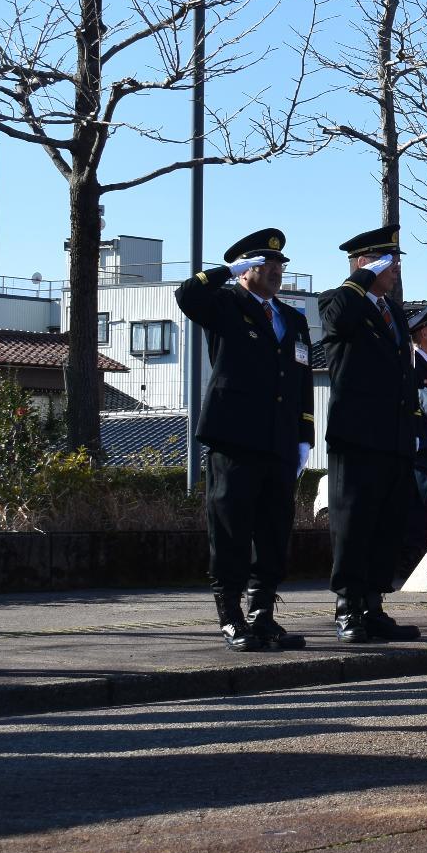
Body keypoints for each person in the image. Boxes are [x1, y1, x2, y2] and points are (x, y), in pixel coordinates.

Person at [174, 228, 315, 652]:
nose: (276, 271)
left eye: (279, 265)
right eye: (266, 264)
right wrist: (224, 272)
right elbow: (186, 297)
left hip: (278, 439)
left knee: (273, 529)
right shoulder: (225, 304)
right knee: (232, 527)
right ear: (245, 269)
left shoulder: (291, 318)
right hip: (234, 436)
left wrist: (304, 434)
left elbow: (302, 378)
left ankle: (263, 614)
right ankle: (231, 617)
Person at [318, 226, 423, 644]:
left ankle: (373, 605)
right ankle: (347, 607)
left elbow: (405, 374)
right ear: (365, 262)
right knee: (353, 522)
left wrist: (412, 424)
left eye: (396, 261)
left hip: (393, 435)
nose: (395, 269)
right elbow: (336, 322)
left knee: (386, 524)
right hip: (356, 435)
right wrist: (358, 279)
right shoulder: (341, 299)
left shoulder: (393, 311)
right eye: (387, 261)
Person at [392, 305, 427, 592]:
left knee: (425, 511)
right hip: (419, 450)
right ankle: (411, 565)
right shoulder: (412, 364)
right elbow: (423, 405)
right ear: (423, 332)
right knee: (421, 512)